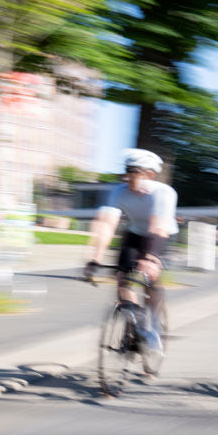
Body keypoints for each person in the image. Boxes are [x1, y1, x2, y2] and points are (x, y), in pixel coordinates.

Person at [84, 149, 178, 356]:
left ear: (149, 174)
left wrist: (150, 258)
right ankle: (133, 321)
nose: (128, 177)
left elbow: (158, 227)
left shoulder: (163, 193)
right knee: (122, 277)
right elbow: (106, 224)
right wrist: (95, 259)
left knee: (151, 275)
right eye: (127, 171)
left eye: (134, 172)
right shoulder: (119, 191)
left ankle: (152, 325)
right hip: (135, 232)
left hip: (160, 235)